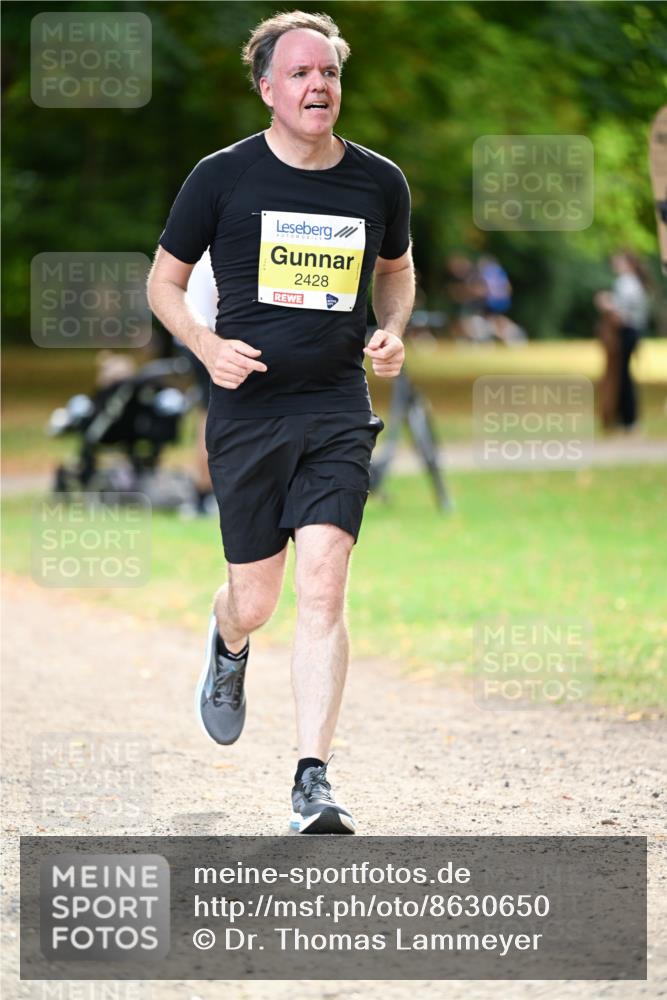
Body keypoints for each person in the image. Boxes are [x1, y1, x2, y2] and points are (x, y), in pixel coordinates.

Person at [146, 10, 415, 834]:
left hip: (336, 407)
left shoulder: (377, 182)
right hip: (248, 412)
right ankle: (227, 643)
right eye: (298, 73)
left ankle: (312, 779)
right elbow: (163, 283)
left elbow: (397, 272)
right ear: (266, 89)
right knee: (257, 599)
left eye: (327, 71)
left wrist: (391, 329)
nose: (317, 84)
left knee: (325, 585)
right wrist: (203, 343)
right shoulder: (220, 177)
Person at [595, 251, 651, 431]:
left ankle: (628, 419)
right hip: (632, 332)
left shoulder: (626, 282)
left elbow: (624, 313)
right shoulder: (634, 282)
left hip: (626, 332)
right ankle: (625, 418)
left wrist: (607, 304)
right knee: (623, 375)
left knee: (622, 376)